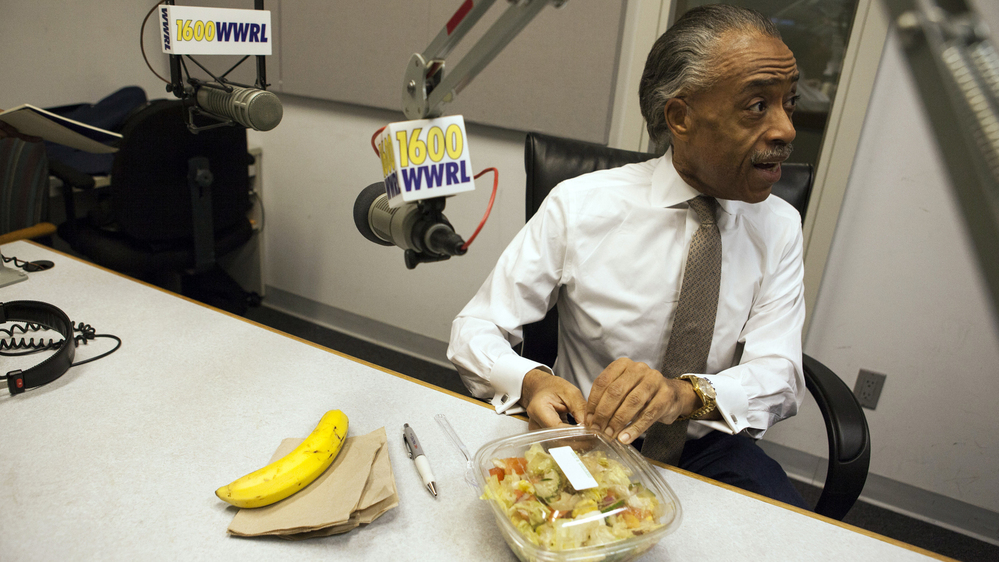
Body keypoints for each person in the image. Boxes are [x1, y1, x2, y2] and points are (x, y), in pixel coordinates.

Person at [447, 4, 807, 507]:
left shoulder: (779, 226)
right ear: (681, 116)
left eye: (789, 104)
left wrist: (684, 395)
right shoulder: (581, 205)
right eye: (756, 106)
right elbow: (475, 328)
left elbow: (781, 375)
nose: (786, 129)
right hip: (586, 436)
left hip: (708, 445)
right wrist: (529, 383)